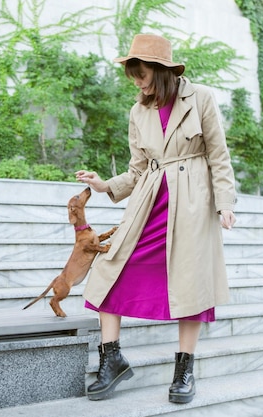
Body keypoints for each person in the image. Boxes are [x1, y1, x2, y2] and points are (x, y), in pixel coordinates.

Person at [75, 33, 237, 404]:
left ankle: (184, 371)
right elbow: (135, 171)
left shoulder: (201, 99)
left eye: (141, 72)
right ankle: (112, 358)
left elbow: (219, 155)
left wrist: (224, 202)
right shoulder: (137, 111)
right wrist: (104, 185)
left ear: (161, 70)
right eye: (132, 73)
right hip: (149, 203)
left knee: (191, 284)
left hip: (192, 202)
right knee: (109, 269)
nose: (136, 81)